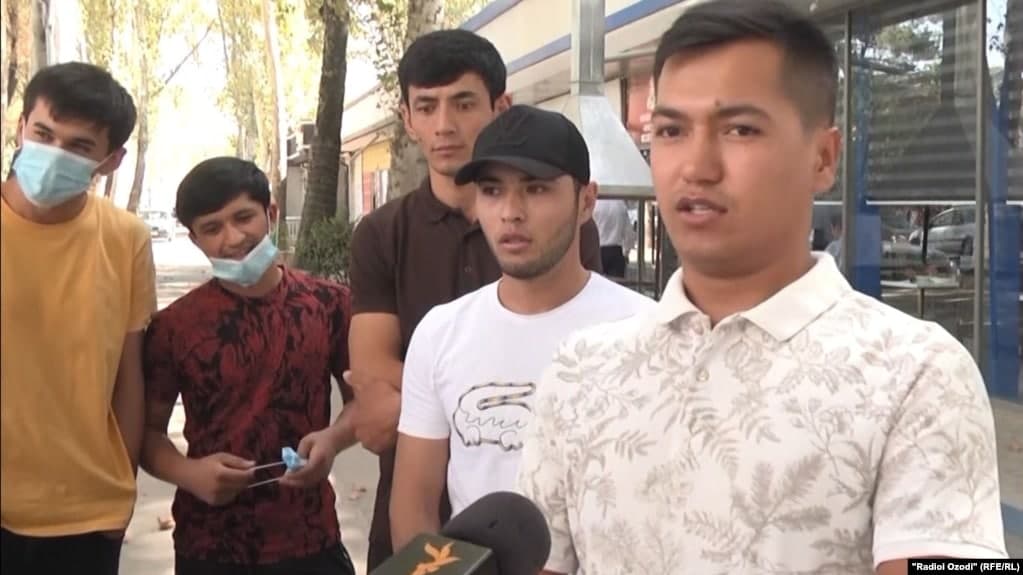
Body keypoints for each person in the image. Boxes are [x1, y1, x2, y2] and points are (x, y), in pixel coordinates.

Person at [517, 2, 1007, 574]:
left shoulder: (918, 375)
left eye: (740, 130)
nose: (696, 167)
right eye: (671, 131)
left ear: (823, 157)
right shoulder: (582, 370)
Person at [345, 29, 603, 569]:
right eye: (427, 107)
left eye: (463, 103)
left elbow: (582, 351)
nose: (444, 125)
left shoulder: (562, 238)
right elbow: (371, 375)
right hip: (421, 517)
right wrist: (442, 398)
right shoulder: (383, 236)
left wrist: (438, 399)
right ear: (406, 117)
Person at [389, 105, 653, 549]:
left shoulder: (648, 330)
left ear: (586, 201)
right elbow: (414, 504)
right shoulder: (440, 333)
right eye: (492, 191)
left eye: (536, 189)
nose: (511, 212)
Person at [141, 157, 357, 575]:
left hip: (310, 534)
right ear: (195, 239)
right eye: (212, 228)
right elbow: (146, 435)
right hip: (209, 543)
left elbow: (364, 400)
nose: (233, 238)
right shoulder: (174, 327)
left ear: (270, 213)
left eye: (243, 217)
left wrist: (333, 439)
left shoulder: (330, 305)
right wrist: (190, 473)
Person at [0, 62, 151, 575]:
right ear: (21, 126)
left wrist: (123, 492)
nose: (53, 153)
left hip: (85, 515)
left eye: (78, 146)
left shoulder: (126, 238)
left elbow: (129, 376)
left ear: (111, 160)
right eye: (43, 134)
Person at [592, 197, 635, 277]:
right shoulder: (620, 204)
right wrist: (626, 252)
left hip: (596, 250)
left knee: (595, 282)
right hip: (615, 251)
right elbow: (629, 233)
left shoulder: (594, 204)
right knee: (615, 282)